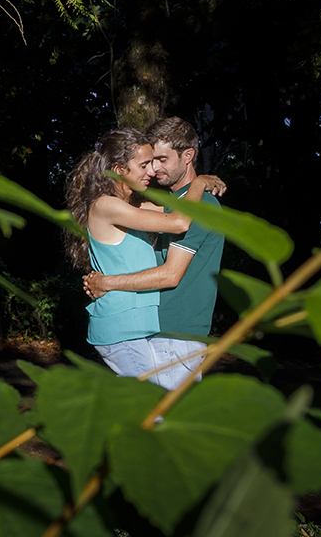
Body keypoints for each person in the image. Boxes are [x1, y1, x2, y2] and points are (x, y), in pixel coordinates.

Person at [65, 128, 223, 383]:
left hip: (138, 328)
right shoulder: (106, 205)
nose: (152, 171)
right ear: (119, 169)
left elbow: (177, 208)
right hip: (121, 329)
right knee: (153, 410)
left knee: (144, 410)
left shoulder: (131, 207)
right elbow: (179, 221)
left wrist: (195, 191)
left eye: (155, 163)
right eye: (144, 164)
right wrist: (199, 183)